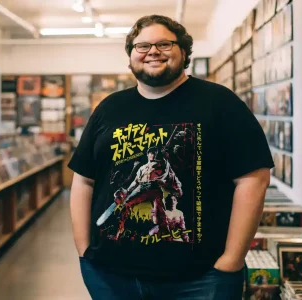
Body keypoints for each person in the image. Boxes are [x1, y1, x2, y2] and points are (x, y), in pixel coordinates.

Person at [69, 14, 273, 300]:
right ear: (131, 56)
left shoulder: (221, 103)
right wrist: (84, 250)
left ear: (184, 51)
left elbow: (254, 178)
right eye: (141, 46)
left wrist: (231, 260)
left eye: (164, 44)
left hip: (201, 279)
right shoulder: (109, 109)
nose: (152, 51)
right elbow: (84, 180)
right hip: (110, 276)